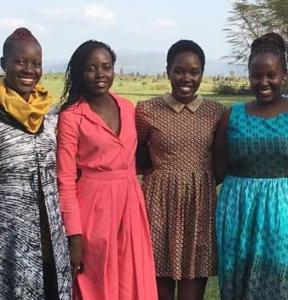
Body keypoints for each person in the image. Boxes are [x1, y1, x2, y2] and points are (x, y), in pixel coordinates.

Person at [57, 40, 158, 300]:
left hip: (131, 204)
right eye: (91, 68)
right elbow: (66, 179)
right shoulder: (72, 116)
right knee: (98, 282)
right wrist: (74, 235)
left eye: (106, 67)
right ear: (80, 72)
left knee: (132, 277)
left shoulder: (126, 106)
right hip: (94, 208)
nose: (100, 74)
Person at [136, 40, 225, 300]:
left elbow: (220, 163)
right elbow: (140, 156)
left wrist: (197, 182)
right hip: (158, 209)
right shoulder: (146, 110)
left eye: (194, 72)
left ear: (202, 73)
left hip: (199, 210)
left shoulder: (215, 112)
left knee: (191, 294)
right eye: (179, 70)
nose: (186, 78)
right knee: (158, 291)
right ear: (168, 71)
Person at [214, 32, 288, 299]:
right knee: (238, 282)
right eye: (256, 75)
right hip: (238, 212)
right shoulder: (231, 115)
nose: (263, 82)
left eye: (271, 75)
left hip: (282, 213)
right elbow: (218, 171)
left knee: (279, 279)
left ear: (284, 74)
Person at [0, 28, 71, 300]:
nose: (29, 69)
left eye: (36, 63)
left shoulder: (52, 116)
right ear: (4, 64)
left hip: (52, 239)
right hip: (9, 240)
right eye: (20, 62)